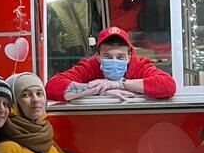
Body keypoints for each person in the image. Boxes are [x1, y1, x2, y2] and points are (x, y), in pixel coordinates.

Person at [45, 25, 176, 101]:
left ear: (129, 56)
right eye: (107, 56)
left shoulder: (140, 65)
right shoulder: (89, 65)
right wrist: (100, 90)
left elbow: (167, 85)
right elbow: (52, 87)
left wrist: (120, 84)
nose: (114, 61)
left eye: (120, 57)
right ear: (98, 56)